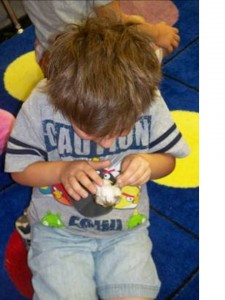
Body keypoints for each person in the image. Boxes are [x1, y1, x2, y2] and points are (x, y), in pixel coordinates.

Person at [5, 17, 189, 300]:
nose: (106, 143)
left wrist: (148, 163)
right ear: (62, 100)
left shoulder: (146, 99)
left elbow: (169, 160)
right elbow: (20, 171)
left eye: (121, 130)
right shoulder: (43, 103)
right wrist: (62, 170)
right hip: (58, 233)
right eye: (88, 131)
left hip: (126, 232)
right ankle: (33, 229)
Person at [22, 0, 180, 75]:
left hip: (48, 58)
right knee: (164, 44)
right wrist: (157, 33)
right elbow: (115, 22)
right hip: (90, 66)